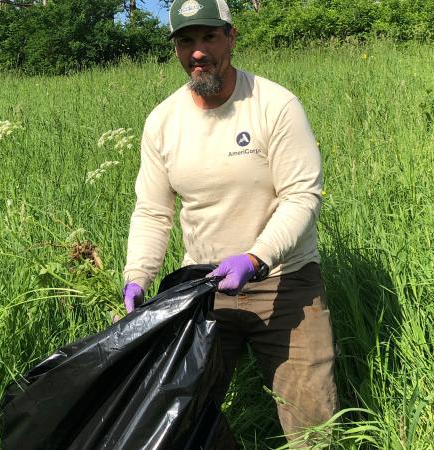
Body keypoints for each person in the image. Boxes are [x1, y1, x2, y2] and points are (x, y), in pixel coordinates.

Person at [121, 0, 338, 446]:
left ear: (231, 38)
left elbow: (302, 195)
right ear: (176, 50)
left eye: (209, 37)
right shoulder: (163, 122)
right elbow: (153, 211)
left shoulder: (274, 105)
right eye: (186, 40)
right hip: (205, 288)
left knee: (313, 423)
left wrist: (256, 258)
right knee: (183, 413)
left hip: (285, 281)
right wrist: (138, 275)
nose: (198, 51)